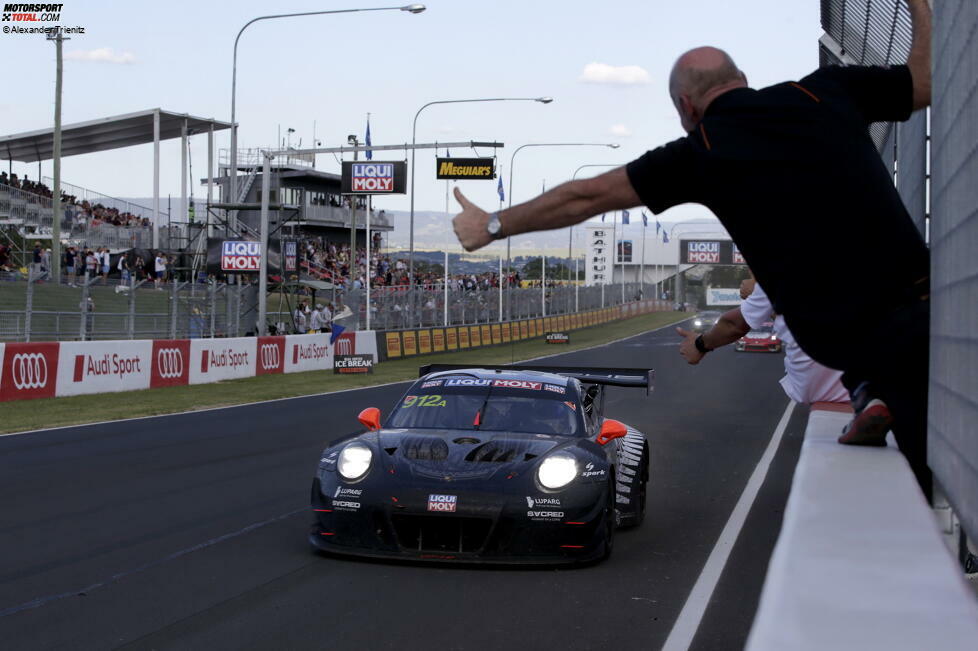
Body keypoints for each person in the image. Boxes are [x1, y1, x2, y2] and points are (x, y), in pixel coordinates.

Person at [451, 1, 933, 496]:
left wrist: (491, 224)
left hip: (842, 332)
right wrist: (919, 5)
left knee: (910, 491)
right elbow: (925, 80)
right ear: (742, 78)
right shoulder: (823, 90)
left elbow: (586, 196)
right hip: (923, 301)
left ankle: (871, 391)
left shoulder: (700, 149)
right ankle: (870, 391)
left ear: (685, 107)